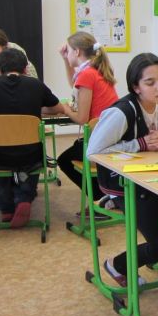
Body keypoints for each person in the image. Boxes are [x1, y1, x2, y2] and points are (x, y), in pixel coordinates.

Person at [87, 53, 158, 288]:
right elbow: (92, 152)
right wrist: (140, 143)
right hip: (123, 184)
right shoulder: (122, 112)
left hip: (152, 178)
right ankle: (117, 265)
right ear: (136, 87)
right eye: (150, 82)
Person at [0, 48, 65, 228]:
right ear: (25, 69)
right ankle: (24, 198)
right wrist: (36, 107)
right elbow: (57, 109)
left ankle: (6, 208)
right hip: (29, 155)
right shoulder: (36, 85)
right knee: (32, 161)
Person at [55, 32, 119, 203]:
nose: (67, 54)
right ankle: (105, 196)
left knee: (64, 160)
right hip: (110, 135)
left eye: (68, 51)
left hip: (100, 138)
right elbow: (74, 84)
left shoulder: (87, 74)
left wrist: (65, 109)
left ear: (77, 52)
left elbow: (82, 119)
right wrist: (65, 59)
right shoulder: (94, 69)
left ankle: (100, 198)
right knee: (75, 150)